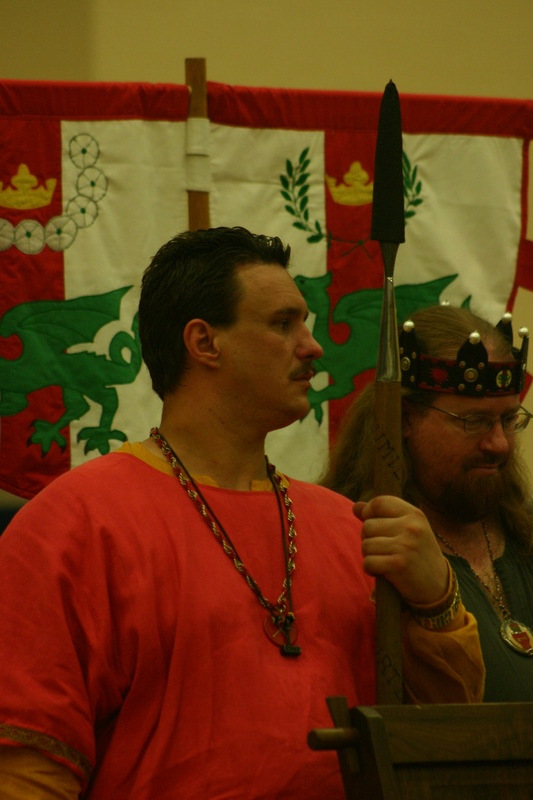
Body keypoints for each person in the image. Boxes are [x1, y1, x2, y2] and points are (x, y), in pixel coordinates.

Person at [0, 229, 483, 800]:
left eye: (305, 323)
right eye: (283, 324)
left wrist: (435, 602)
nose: (313, 346)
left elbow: (444, 742)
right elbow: (28, 771)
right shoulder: (72, 524)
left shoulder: (352, 529)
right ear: (204, 342)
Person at [322, 302, 533, 702]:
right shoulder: (355, 547)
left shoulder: (525, 531)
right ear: (403, 419)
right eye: (473, 421)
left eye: (508, 420)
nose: (499, 444)